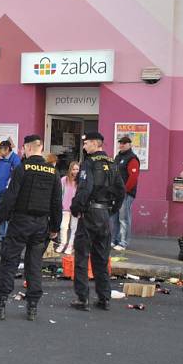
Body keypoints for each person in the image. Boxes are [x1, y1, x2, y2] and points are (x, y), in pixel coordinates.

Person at [0, 135, 61, 321]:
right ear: (41, 148)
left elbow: (10, 197)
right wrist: (55, 227)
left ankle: (0, 306)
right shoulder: (53, 172)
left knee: (9, 262)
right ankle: (32, 308)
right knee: (34, 265)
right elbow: (56, 202)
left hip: (20, 222)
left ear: (27, 148)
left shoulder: (22, 168)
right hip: (41, 224)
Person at [70, 132, 125, 311]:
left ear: (95, 144)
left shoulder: (89, 163)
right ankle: (104, 298)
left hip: (90, 214)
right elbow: (121, 190)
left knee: (82, 256)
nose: (84, 147)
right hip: (104, 214)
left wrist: (76, 208)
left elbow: (85, 189)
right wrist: (113, 210)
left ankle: (82, 298)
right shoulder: (112, 163)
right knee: (101, 258)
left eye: (86, 144)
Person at [111, 136, 140, 251]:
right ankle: (115, 240)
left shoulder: (132, 158)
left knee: (123, 218)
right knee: (115, 218)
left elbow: (133, 178)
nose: (122, 145)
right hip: (116, 193)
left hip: (126, 193)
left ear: (129, 144)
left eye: (124, 143)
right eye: (120, 143)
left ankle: (123, 242)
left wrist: (124, 191)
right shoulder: (118, 157)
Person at [0, 139, 20, 244]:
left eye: (1, 150)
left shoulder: (15, 160)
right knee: (0, 213)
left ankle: (7, 236)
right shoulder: (2, 159)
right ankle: (2, 236)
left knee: (7, 215)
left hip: (7, 192)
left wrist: (8, 188)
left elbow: (16, 176)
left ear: (7, 149)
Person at [56, 161, 80, 254]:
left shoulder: (81, 181)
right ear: (70, 170)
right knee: (63, 227)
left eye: (77, 169)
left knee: (74, 228)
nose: (75, 171)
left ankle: (70, 245)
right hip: (65, 207)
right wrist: (60, 204)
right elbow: (59, 193)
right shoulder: (64, 179)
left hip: (75, 208)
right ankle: (63, 243)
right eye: (74, 169)